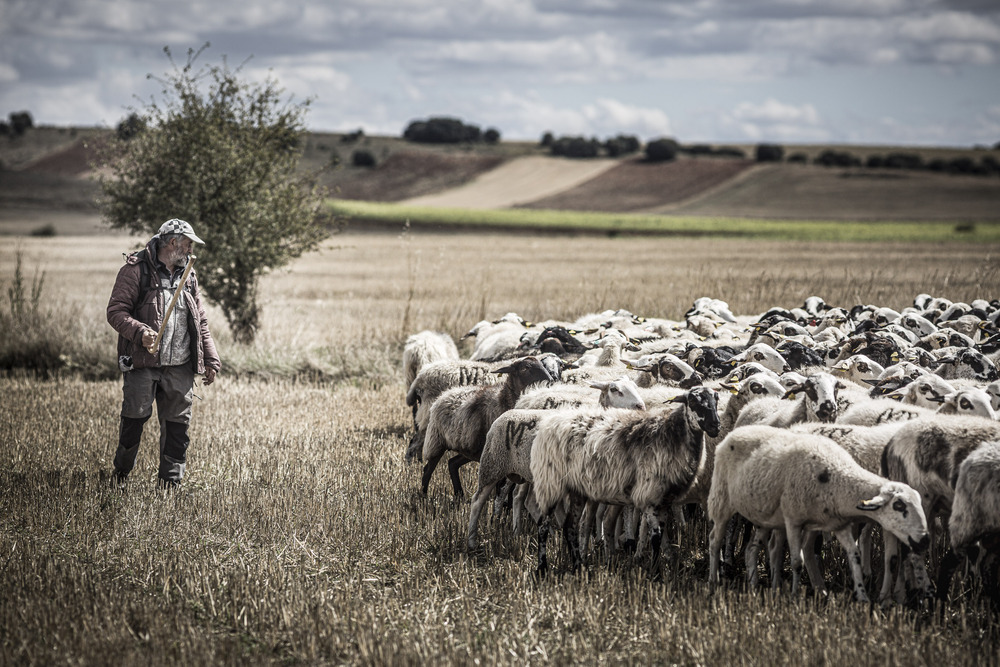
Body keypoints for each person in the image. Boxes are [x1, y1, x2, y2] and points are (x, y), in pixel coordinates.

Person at [107, 218, 221, 489]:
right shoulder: (135, 271)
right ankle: (121, 474)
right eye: (189, 243)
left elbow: (200, 320)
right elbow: (116, 312)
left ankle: (170, 482)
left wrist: (210, 358)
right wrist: (140, 332)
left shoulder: (188, 273)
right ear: (173, 242)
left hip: (180, 364)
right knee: (134, 417)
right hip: (143, 362)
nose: (192, 249)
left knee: (178, 425)